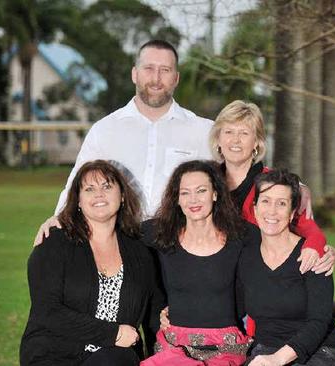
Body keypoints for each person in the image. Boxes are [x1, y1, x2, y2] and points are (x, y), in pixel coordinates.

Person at [34, 39, 213, 245]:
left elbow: (224, 185)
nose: (156, 78)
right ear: (134, 74)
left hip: (180, 247)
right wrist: (58, 217)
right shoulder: (105, 130)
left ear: (176, 78)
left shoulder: (203, 131)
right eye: (149, 68)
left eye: (165, 70)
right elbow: (78, 182)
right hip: (121, 245)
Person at [20, 160, 164, 365]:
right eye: (89, 189)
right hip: (54, 355)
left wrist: (162, 356)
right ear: (78, 200)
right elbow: (47, 311)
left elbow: (154, 317)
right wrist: (113, 334)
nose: (99, 194)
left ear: (122, 196)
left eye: (107, 186)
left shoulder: (140, 253)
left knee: (117, 358)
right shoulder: (54, 244)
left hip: (113, 358)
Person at [140, 160, 252, 365]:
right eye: (185, 193)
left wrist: (317, 247)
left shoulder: (241, 236)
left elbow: (282, 235)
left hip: (225, 347)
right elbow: (111, 230)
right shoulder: (160, 234)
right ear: (177, 199)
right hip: (174, 346)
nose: (193, 199)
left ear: (215, 194)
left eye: (201, 190)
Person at [209, 100, 334, 276]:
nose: (235, 140)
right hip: (216, 281)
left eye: (244, 133)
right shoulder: (206, 182)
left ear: (257, 143)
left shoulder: (276, 183)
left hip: (260, 279)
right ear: (218, 139)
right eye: (229, 132)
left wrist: (315, 249)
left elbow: (313, 232)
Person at [238, 170, 335, 366]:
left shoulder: (312, 255)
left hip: (318, 351)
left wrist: (278, 359)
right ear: (254, 208)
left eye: (282, 203)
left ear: (293, 213)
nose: (272, 211)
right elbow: (228, 304)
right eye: (266, 201)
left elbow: (318, 322)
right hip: (265, 347)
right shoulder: (245, 256)